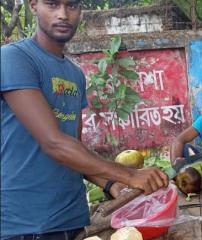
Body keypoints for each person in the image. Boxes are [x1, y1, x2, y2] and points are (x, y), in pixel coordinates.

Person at [0, 1, 168, 239]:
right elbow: (54, 143)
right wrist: (130, 175)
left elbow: (75, 150)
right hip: (27, 225)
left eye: (72, 5)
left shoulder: (74, 73)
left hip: (74, 219)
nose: (63, 14)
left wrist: (111, 185)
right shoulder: (14, 59)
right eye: (52, 4)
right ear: (34, 5)